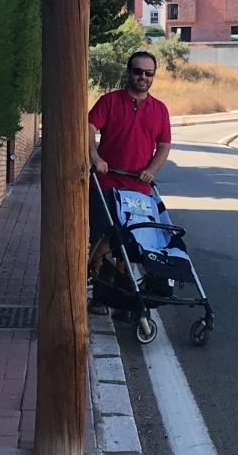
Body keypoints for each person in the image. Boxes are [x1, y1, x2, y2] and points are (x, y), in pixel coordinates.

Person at [87, 50, 172, 315]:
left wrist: (151, 169)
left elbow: (164, 145)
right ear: (129, 72)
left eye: (149, 73)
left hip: (138, 190)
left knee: (132, 245)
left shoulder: (159, 109)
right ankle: (101, 295)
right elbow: (89, 126)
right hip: (107, 184)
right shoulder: (110, 101)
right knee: (103, 240)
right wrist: (95, 156)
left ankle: (124, 299)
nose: (143, 77)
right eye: (138, 71)